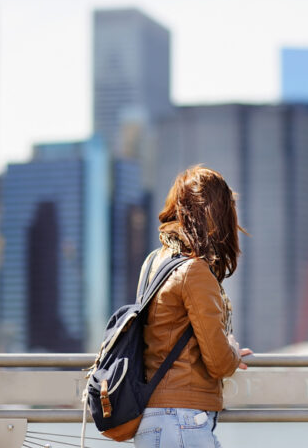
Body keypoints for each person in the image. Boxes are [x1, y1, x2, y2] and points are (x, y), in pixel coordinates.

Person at [134, 165, 252, 448]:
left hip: (151, 421)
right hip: (182, 421)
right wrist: (233, 350)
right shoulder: (194, 271)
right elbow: (218, 360)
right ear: (215, 214)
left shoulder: (154, 262)